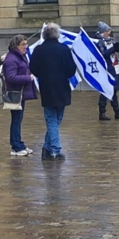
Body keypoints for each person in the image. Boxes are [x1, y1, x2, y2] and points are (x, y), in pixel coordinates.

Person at [29, 23, 77, 161]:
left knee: (53, 119)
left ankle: (47, 147)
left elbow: (33, 68)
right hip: (61, 86)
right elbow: (71, 70)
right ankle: (55, 150)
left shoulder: (39, 50)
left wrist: (43, 75)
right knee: (54, 119)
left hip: (46, 87)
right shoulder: (64, 49)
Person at [2, 35, 36, 156]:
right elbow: (11, 77)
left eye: (26, 44)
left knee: (18, 119)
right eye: (23, 45)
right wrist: (28, 78)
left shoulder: (19, 56)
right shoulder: (11, 59)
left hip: (20, 92)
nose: (25, 47)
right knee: (16, 120)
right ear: (15, 45)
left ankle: (19, 144)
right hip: (15, 93)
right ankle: (16, 147)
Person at [95, 22, 119, 121]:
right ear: (103, 32)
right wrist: (114, 48)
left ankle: (117, 112)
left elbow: (115, 49)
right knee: (106, 90)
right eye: (107, 31)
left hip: (114, 67)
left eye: (109, 30)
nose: (109, 32)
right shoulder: (100, 42)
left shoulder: (110, 40)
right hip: (106, 69)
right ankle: (102, 112)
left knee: (114, 90)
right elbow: (103, 54)